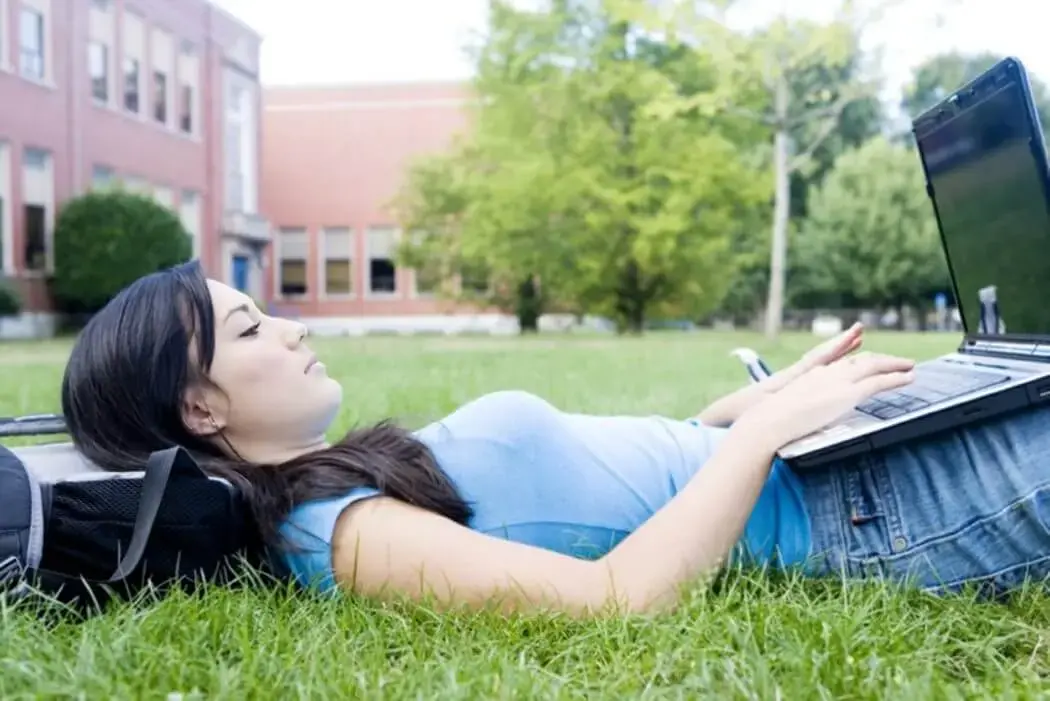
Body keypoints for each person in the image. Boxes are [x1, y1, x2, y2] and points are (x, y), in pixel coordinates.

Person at [60, 261, 1050, 617]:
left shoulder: (347, 472)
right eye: (250, 331)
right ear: (200, 409)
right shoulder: (332, 535)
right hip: (858, 516)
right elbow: (612, 598)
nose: (293, 327)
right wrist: (762, 441)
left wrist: (750, 409)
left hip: (813, 458)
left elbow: (597, 479)